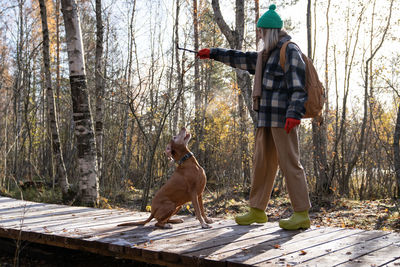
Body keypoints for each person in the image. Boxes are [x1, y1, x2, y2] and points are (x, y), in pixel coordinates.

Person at [197, 4, 311, 230]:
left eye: (261, 32)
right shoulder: (264, 56)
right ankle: (257, 211)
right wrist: (213, 53)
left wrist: (294, 114)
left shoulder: (289, 50)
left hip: (284, 119)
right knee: (262, 165)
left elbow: (299, 87)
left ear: (270, 31)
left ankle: (302, 214)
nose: (258, 35)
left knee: (290, 164)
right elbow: (240, 58)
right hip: (265, 119)